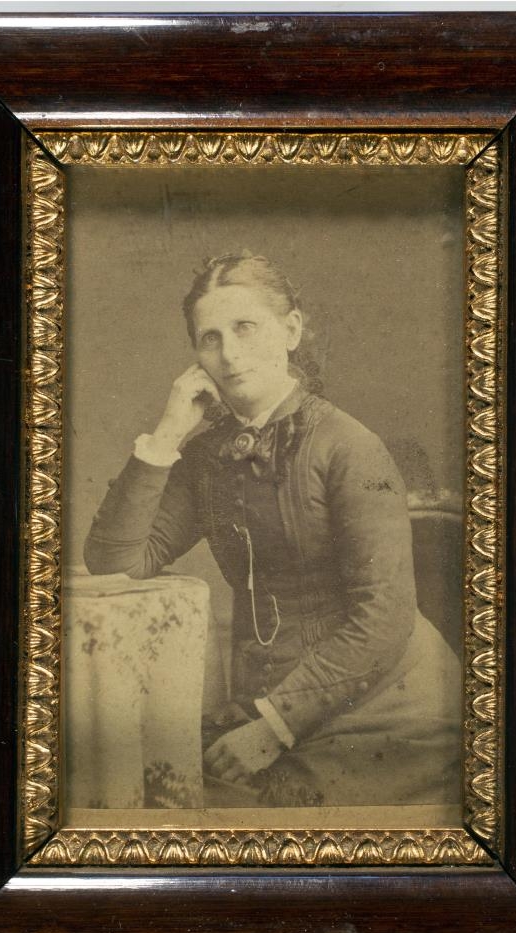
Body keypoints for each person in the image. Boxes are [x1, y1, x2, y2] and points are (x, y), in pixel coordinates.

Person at [84, 252, 461, 807]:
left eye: (245, 327)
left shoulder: (349, 446)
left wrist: (273, 727)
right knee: (156, 789)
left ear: (291, 330)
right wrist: (167, 433)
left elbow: (384, 617)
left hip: (388, 715)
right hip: (269, 707)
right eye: (210, 338)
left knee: (221, 813)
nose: (229, 354)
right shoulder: (207, 457)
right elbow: (115, 562)